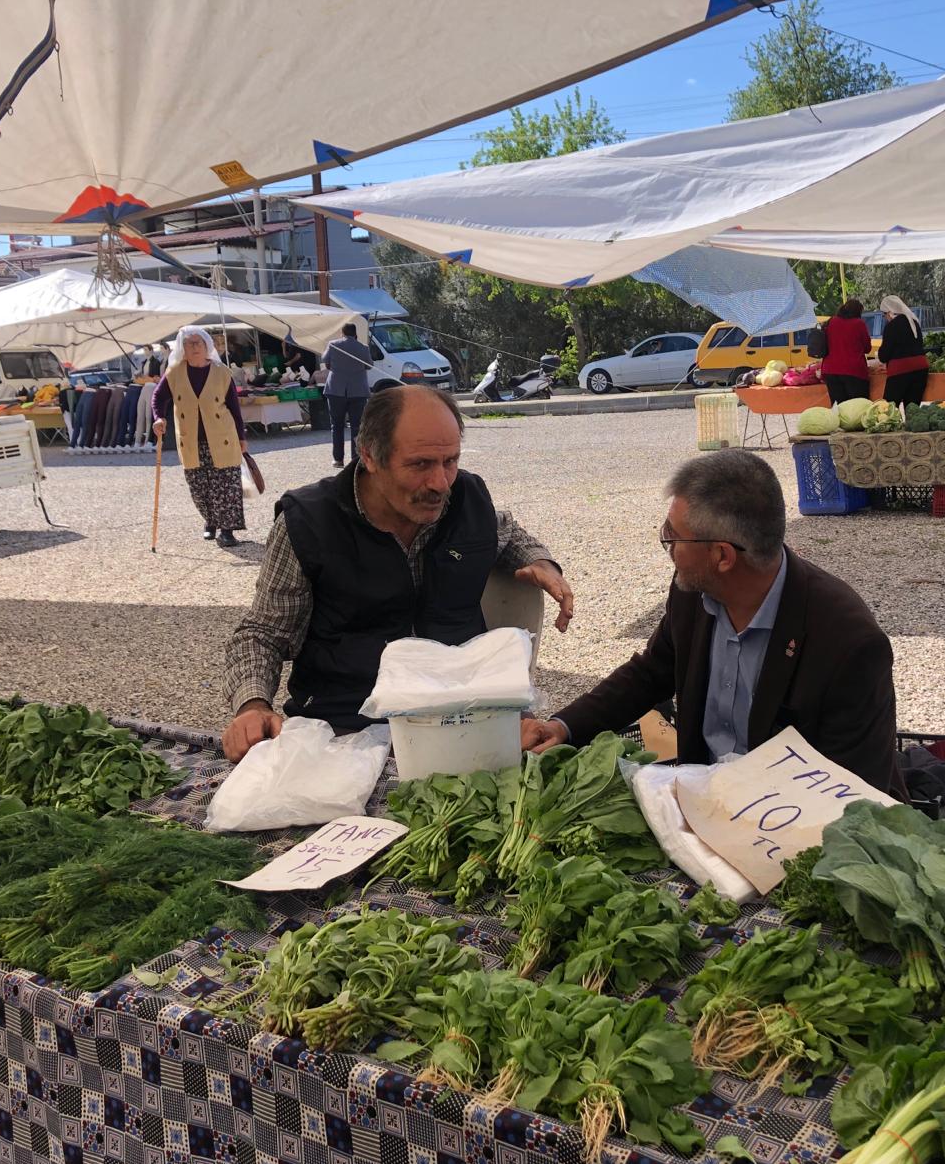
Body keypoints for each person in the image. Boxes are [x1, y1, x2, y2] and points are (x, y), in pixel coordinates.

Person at [221, 385, 575, 762]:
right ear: (370, 456)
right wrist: (252, 706)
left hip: (468, 715)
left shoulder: (467, 498)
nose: (440, 483)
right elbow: (263, 633)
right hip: (345, 728)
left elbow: (508, 532)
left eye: (450, 461)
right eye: (420, 464)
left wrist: (541, 562)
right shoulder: (309, 523)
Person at [521, 450, 904, 798]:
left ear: (722, 556)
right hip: (700, 797)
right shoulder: (693, 591)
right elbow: (650, 673)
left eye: (673, 537)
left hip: (790, 820)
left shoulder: (848, 642)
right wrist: (563, 727)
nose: (669, 548)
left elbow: (853, 792)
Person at [151, 326, 249, 547]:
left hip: (223, 437)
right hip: (191, 440)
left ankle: (227, 531)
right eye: (189, 343)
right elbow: (158, 398)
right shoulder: (174, 372)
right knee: (198, 486)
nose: (194, 347)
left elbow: (234, 407)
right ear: (182, 348)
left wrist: (241, 436)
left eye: (198, 343)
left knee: (226, 486)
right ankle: (210, 521)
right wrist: (159, 417)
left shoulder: (221, 372)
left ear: (207, 346)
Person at [323, 322, 373, 468]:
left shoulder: (333, 344)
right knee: (357, 426)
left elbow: (326, 362)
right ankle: (355, 460)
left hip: (336, 389)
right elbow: (369, 365)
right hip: (357, 390)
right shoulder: (363, 347)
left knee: (337, 425)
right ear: (355, 333)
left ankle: (338, 459)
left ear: (342, 333)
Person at [876, 296, 929, 405]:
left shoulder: (891, 326)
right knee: (912, 409)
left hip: (900, 370)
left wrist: (880, 355)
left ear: (889, 312)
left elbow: (884, 355)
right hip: (920, 368)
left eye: (884, 314)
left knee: (890, 408)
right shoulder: (914, 322)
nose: (885, 317)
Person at [821, 298, 872, 402]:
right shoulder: (859, 324)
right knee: (859, 406)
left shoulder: (831, 321)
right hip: (854, 371)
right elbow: (867, 348)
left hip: (830, 370)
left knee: (839, 407)